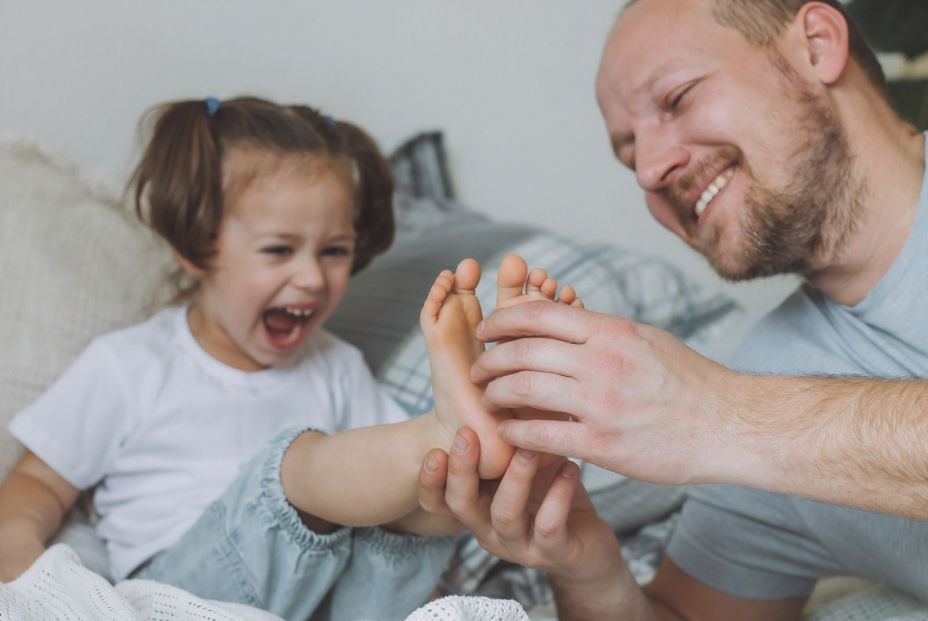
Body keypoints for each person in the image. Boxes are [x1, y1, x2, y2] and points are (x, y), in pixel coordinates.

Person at [418, 0, 928, 619]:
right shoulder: (768, 375)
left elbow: (728, 418)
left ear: (816, 46)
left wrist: (719, 414)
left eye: (678, 97)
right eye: (630, 154)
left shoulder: (737, 409)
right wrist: (587, 568)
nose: (652, 171)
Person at [0, 95, 577, 620]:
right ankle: (450, 435)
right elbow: (37, 483)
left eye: (334, 252)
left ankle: (469, 453)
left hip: (330, 606)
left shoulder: (338, 366)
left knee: (415, 509)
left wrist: (445, 497)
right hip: (185, 597)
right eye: (279, 250)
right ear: (195, 249)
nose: (311, 278)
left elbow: (394, 518)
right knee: (296, 468)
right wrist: (26, 562)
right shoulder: (130, 365)